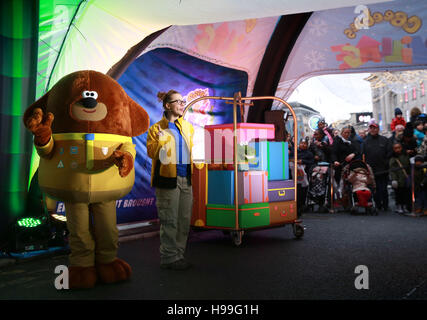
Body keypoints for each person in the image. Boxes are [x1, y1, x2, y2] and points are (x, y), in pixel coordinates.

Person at [147, 90, 194, 270]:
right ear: (167, 106)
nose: (183, 104)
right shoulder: (155, 129)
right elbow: (152, 153)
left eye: (183, 101)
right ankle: (169, 258)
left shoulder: (187, 127)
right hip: (167, 181)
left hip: (186, 179)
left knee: (183, 220)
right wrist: (159, 141)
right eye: (178, 101)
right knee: (170, 221)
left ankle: (178, 256)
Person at [362, 120, 392, 211]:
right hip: (371, 170)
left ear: (378, 129)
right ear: (369, 129)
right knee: (375, 190)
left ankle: (386, 206)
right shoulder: (365, 141)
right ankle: (378, 205)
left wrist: (386, 163)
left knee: (383, 189)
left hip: (383, 169)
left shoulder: (384, 140)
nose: (373, 130)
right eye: (371, 128)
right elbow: (363, 154)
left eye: (374, 128)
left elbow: (389, 152)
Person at [389, 143, 411, 214]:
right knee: (398, 193)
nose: (398, 149)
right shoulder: (393, 158)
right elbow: (392, 169)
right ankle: (399, 206)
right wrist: (394, 179)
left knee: (406, 192)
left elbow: (408, 166)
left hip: (405, 177)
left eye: (399, 148)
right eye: (396, 148)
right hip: (398, 178)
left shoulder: (406, 155)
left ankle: (405, 206)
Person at [296, 140, 314, 217]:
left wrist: (303, 161)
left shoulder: (309, 153)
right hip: (295, 174)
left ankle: (301, 207)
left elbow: (312, 162)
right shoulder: (295, 152)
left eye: (305, 143)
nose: (303, 145)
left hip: (305, 174)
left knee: (303, 191)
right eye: (301, 143)